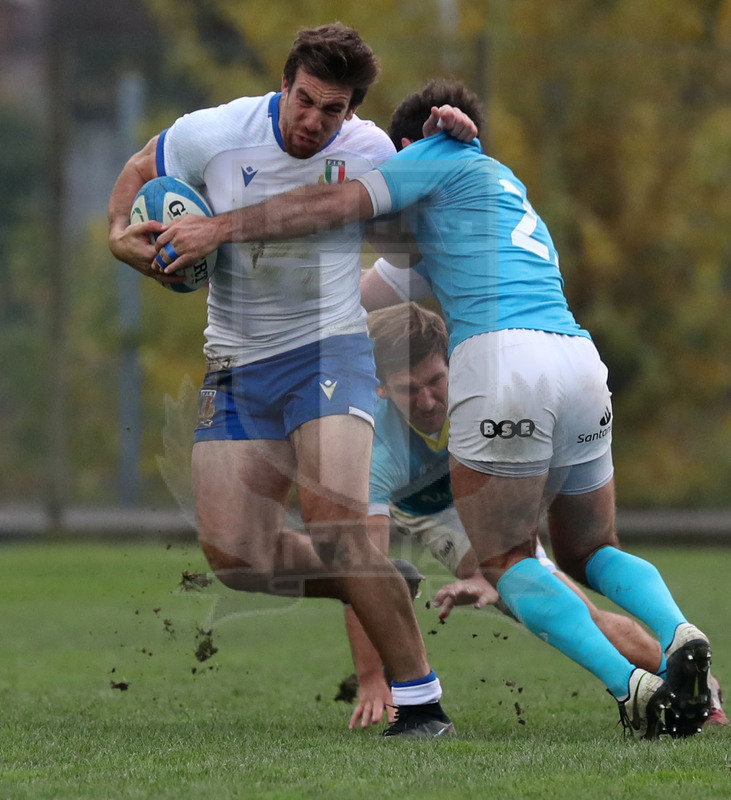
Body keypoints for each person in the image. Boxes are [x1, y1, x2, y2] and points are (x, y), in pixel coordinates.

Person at [153, 78, 715, 740]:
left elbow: (329, 203)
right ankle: (679, 632)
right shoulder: (496, 189)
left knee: (506, 561)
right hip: (578, 362)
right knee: (591, 548)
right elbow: (351, 297)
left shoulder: (426, 159)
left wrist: (214, 229)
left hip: (504, 365)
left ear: (407, 147)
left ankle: (631, 688)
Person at [108, 25, 477, 739]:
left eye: (330, 110)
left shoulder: (367, 151)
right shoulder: (211, 134)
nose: (312, 121)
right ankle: (374, 579)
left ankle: (421, 702)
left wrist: (456, 137)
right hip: (236, 363)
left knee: (336, 523)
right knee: (237, 559)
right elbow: (134, 175)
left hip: (328, 352)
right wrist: (121, 236)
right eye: (304, 101)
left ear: (351, 113)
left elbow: (441, 180)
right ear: (284, 86)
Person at [343, 301, 727, 729]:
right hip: (433, 514)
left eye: (436, 380)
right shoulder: (373, 450)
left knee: (571, 606)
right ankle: (683, 679)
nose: (428, 400)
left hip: (490, 494)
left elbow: (531, 486)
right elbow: (363, 568)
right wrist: (372, 680)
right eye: (408, 389)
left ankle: (694, 684)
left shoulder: (491, 393)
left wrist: (497, 568)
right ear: (379, 387)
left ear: (453, 363)